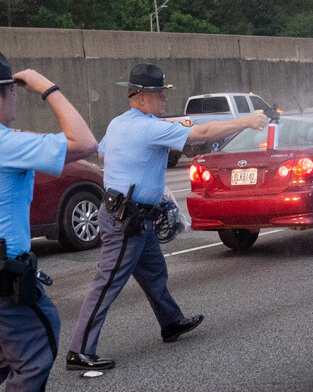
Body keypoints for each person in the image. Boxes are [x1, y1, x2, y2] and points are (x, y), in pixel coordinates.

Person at [66, 63, 269, 370]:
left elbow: (104, 154)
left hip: (133, 215)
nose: (164, 99)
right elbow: (201, 132)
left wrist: (144, 165)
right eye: (160, 94)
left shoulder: (119, 124)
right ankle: (79, 351)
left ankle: (171, 322)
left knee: (154, 273)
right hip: (126, 218)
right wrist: (246, 121)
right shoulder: (150, 127)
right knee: (107, 283)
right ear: (142, 96)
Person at [0, 53, 98, 392]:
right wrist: (46, 87)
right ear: (4, 94)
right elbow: (84, 142)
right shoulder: (7, 144)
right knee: (35, 351)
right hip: (6, 281)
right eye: (13, 91)